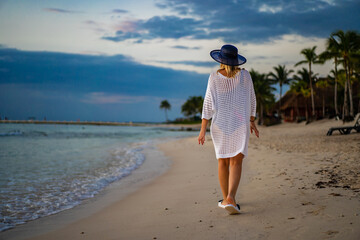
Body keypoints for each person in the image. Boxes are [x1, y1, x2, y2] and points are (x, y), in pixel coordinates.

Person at [198, 44, 259, 215]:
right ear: (236, 60)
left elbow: (207, 105)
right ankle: (231, 198)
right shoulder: (245, 75)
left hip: (220, 125)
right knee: (236, 161)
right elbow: (252, 99)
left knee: (223, 161)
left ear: (221, 60)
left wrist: (203, 129)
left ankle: (227, 199)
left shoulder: (213, 77)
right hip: (240, 124)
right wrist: (251, 120)